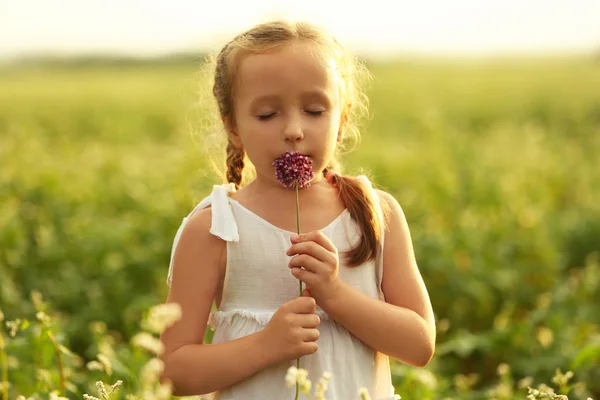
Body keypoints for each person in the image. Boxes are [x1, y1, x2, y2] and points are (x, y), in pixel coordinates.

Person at [160, 20, 435, 400]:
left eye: (314, 110)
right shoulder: (215, 228)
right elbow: (171, 373)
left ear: (342, 120)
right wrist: (265, 345)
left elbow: (419, 345)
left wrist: (335, 295)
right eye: (267, 115)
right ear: (233, 127)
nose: (293, 129)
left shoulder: (374, 214)